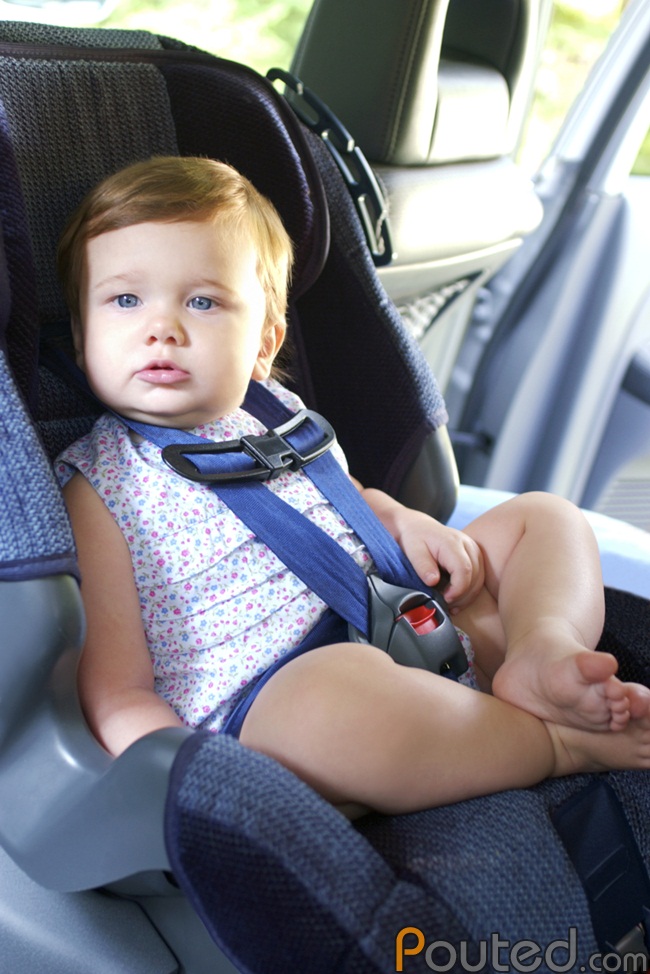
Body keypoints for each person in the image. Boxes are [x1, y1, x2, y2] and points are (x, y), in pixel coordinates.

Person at [55, 155, 650, 818]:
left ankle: (543, 652)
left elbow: (338, 496)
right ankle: (549, 744)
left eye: (202, 300)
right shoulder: (97, 486)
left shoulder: (276, 412)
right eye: (125, 300)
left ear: (263, 342)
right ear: (83, 339)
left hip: (411, 613)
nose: (161, 326)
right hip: (282, 695)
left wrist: (403, 520)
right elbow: (115, 688)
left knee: (545, 518)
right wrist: (188, 781)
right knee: (329, 708)